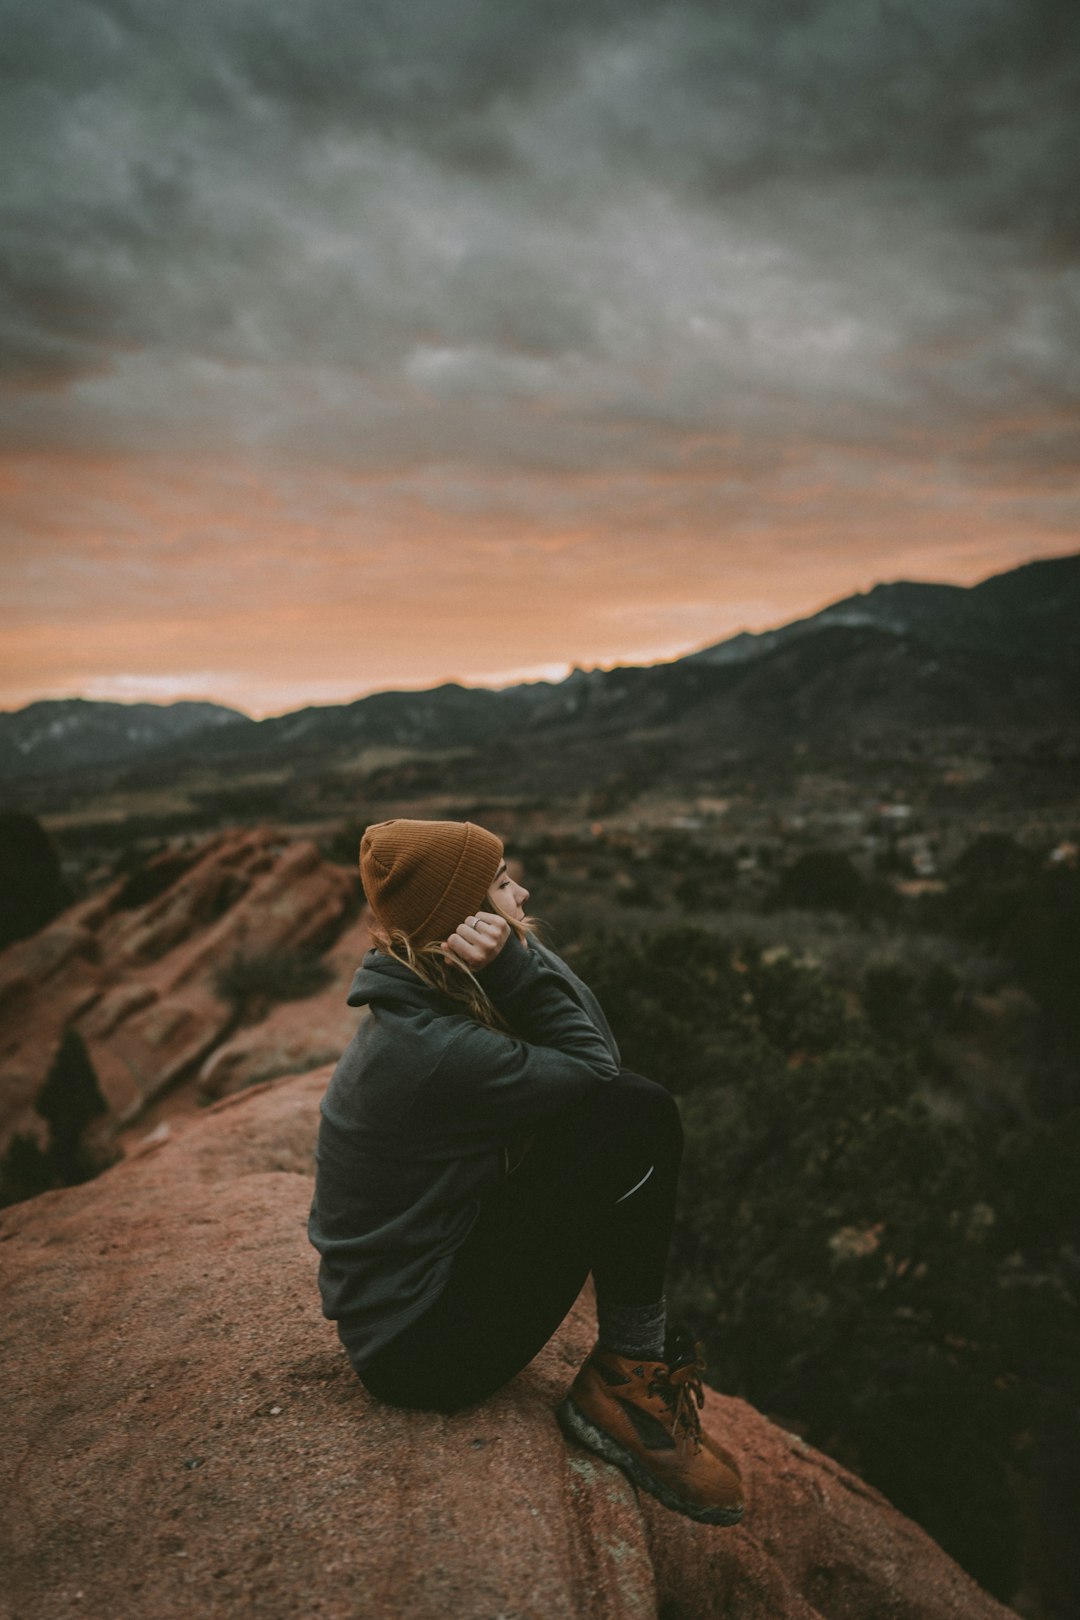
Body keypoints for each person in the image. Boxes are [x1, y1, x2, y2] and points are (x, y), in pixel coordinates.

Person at [308, 817, 744, 1526]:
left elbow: (595, 1052)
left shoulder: (422, 1004)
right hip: (425, 1348)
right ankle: (627, 1383)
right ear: (465, 924)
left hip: (413, 1316)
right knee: (637, 1112)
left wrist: (515, 957)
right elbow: (604, 1072)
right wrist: (515, 964)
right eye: (505, 884)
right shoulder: (435, 1051)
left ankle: (632, 1370)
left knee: (620, 1110)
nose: (524, 891)